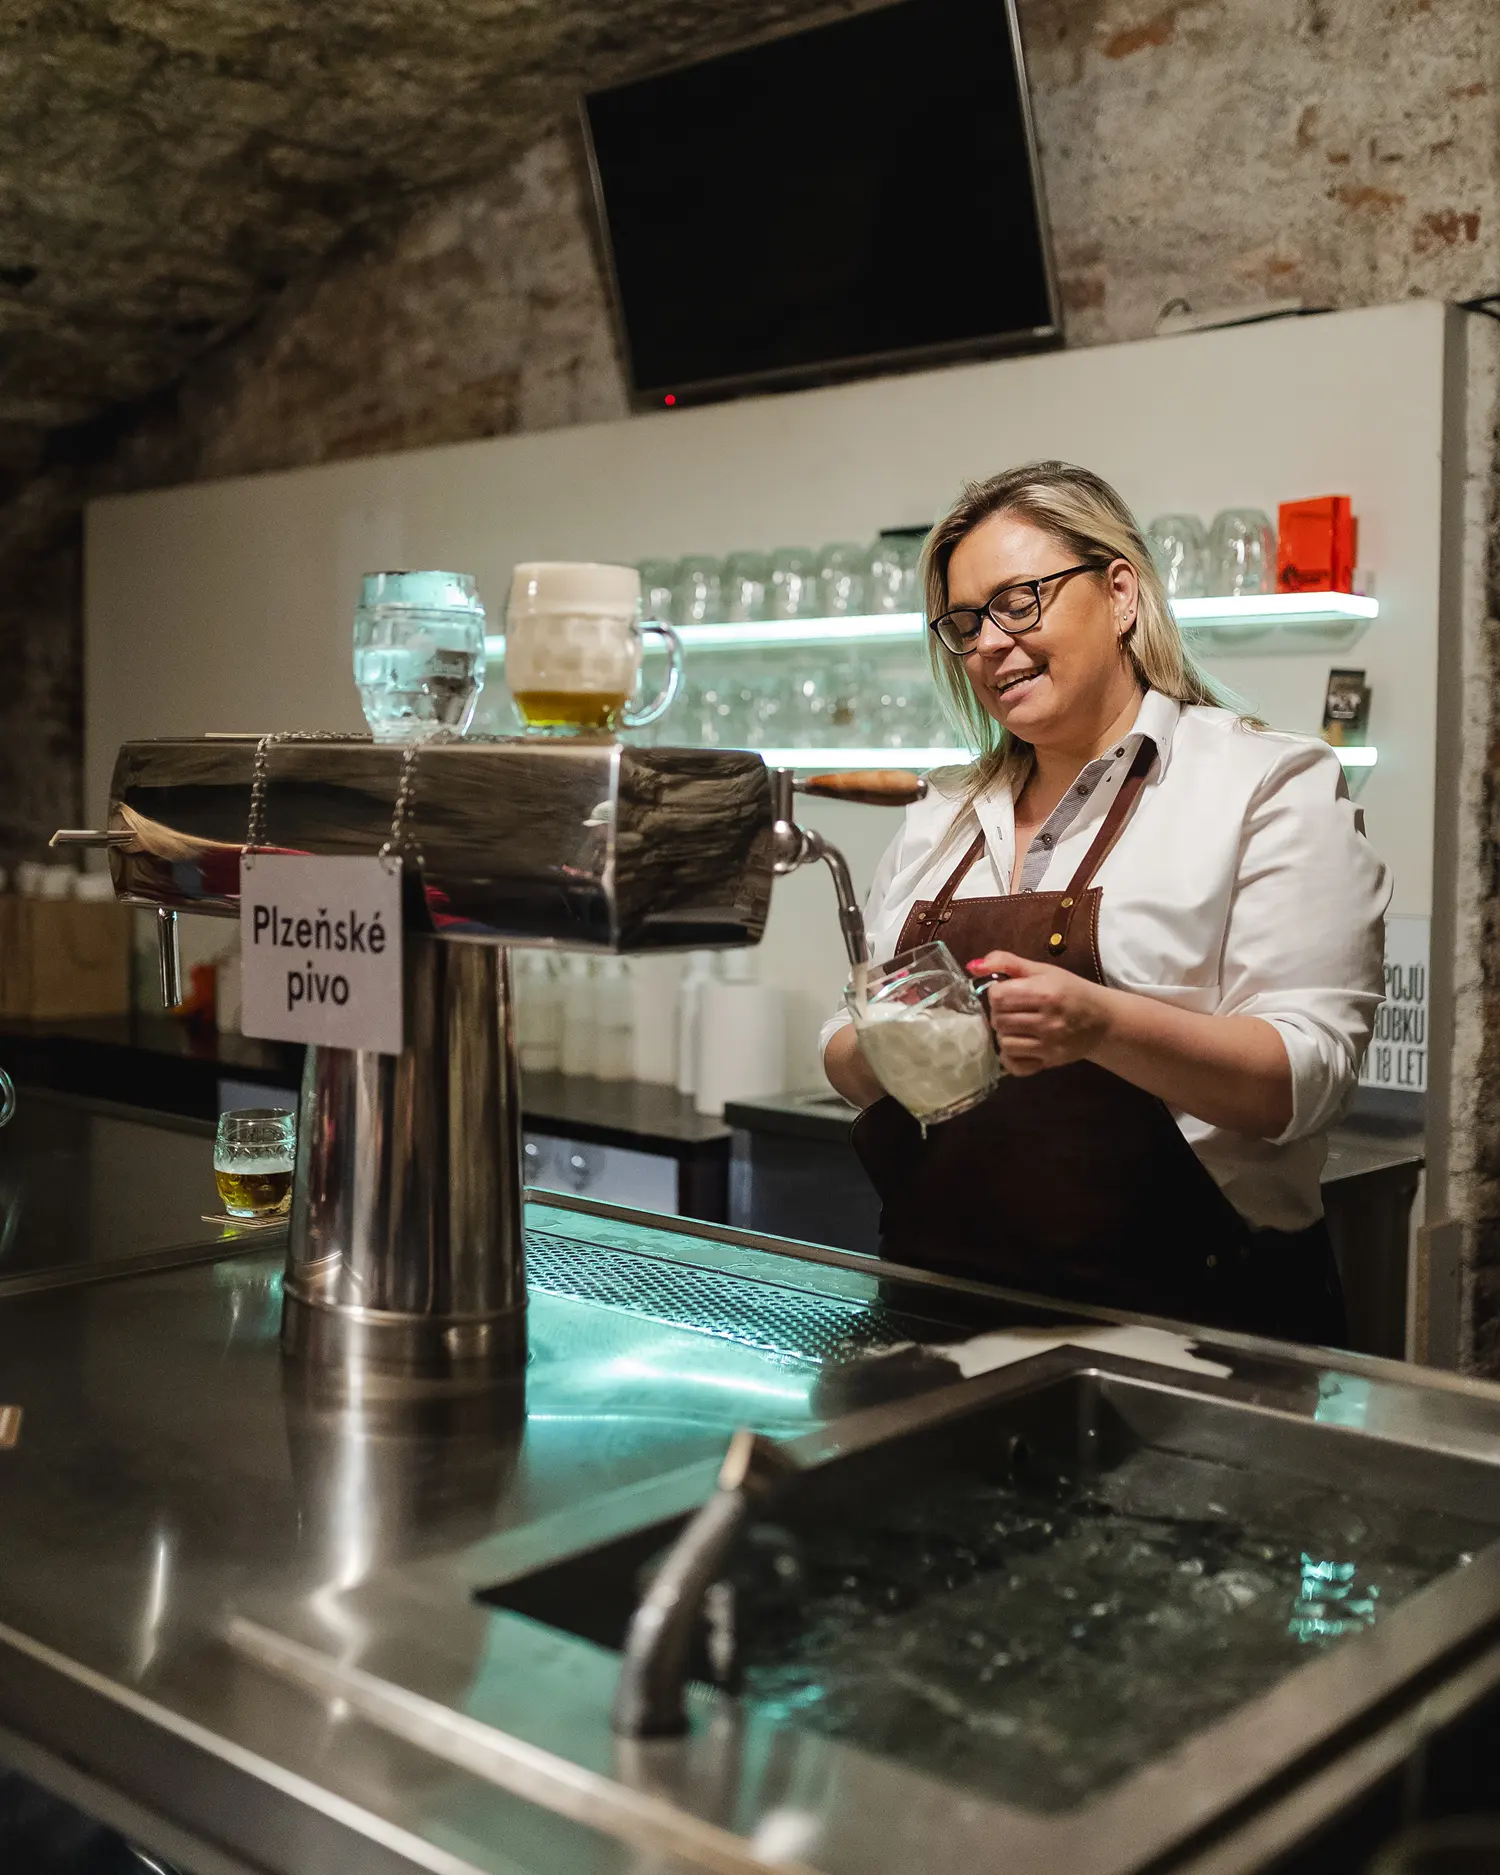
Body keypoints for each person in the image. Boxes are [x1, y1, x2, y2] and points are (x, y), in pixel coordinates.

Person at [821, 462, 1388, 1344]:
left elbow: (1306, 1076)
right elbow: (843, 1049)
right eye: (965, 624)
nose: (989, 645)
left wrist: (1100, 1027)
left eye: (1020, 600)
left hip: (1191, 1341)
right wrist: (896, 1047)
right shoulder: (943, 817)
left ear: (1120, 592)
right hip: (939, 1321)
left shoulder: (1265, 784)